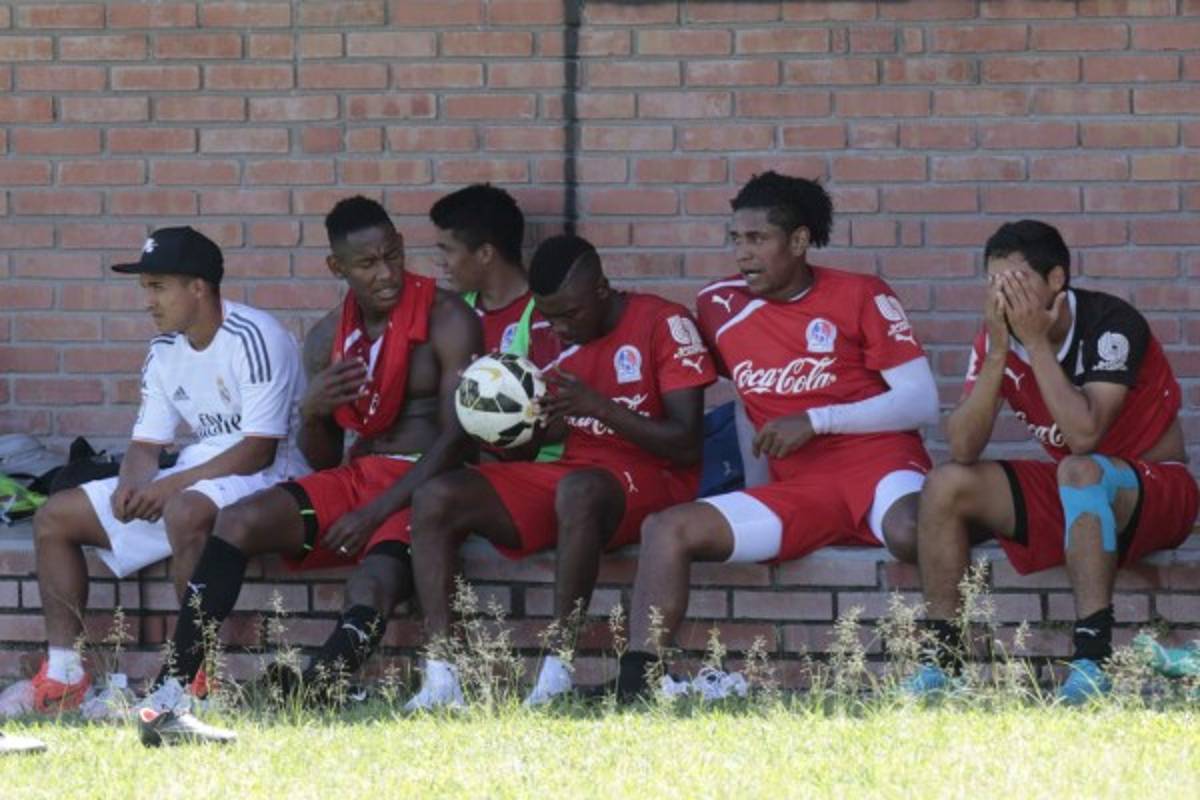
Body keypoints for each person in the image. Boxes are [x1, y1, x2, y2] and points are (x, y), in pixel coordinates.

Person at [137, 197, 481, 711]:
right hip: (358, 474)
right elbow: (320, 461)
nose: (387, 274)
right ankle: (177, 681)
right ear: (336, 267)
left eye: (393, 255)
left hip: (424, 484)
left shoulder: (448, 316)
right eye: (367, 264)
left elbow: (458, 440)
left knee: (376, 577)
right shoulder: (327, 337)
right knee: (239, 520)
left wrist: (374, 513)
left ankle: (321, 682)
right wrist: (315, 412)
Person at [617, 172, 939, 701]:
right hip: (802, 488)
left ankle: (944, 663)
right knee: (666, 528)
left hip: (880, 466)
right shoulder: (718, 306)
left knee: (910, 531)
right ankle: (640, 682)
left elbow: (921, 401)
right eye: (736, 239)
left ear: (798, 241)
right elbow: (748, 400)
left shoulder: (862, 293)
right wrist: (758, 484)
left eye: (758, 239)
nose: (743, 254)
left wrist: (818, 420)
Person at [403, 234, 716, 709]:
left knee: (579, 490)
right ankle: (443, 677)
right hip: (574, 473)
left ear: (602, 290)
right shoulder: (549, 338)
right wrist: (496, 418)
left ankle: (556, 670)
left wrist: (600, 408)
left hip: (652, 478)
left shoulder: (663, 322)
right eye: (549, 316)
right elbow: (522, 456)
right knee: (435, 498)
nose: (560, 328)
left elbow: (685, 442)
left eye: (571, 314)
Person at [907, 219, 1197, 704]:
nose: (1005, 297)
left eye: (1017, 282)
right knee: (946, 483)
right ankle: (943, 663)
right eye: (995, 284)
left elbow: (1084, 435)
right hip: (1078, 493)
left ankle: (1092, 661)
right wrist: (1000, 351)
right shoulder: (997, 338)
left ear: (1056, 279)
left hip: (1158, 490)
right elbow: (962, 447)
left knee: (1079, 468)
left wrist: (1036, 343)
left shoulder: (1111, 323)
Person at [22, 227, 308, 716]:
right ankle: (65, 676)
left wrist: (170, 484)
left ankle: (195, 679)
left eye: (158, 287)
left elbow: (261, 449)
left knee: (183, 509)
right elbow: (146, 443)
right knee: (55, 516)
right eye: (146, 288)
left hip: (271, 477)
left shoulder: (256, 336)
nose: (148, 300)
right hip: (201, 472)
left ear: (198, 287)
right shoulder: (164, 350)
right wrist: (134, 482)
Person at [431, 183, 560, 374]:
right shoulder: (452, 312)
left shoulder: (545, 317)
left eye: (448, 250)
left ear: (485, 253)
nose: (440, 262)